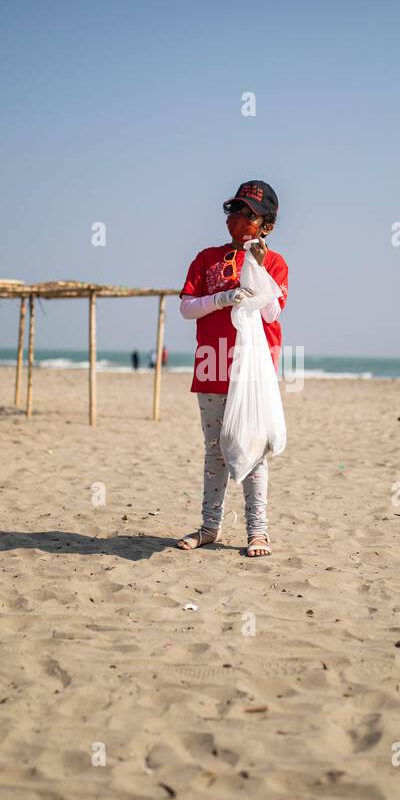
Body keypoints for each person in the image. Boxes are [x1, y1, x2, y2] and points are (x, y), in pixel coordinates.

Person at [175, 180, 289, 558]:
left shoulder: (275, 263)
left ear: (265, 226)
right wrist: (222, 297)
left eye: (248, 214)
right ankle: (210, 526)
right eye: (234, 211)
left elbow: (273, 311)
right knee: (214, 451)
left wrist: (257, 269)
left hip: (252, 372)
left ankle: (258, 531)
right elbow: (187, 307)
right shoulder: (207, 258)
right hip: (212, 366)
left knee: (254, 451)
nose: (238, 219)